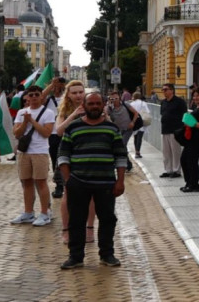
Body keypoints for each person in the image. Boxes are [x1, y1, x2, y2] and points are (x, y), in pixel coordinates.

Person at [57, 92, 127, 269]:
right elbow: (63, 156)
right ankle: (76, 257)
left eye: (98, 103)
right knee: (76, 220)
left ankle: (107, 254)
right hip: (78, 182)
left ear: (103, 105)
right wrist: (68, 180)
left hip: (105, 183)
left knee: (108, 219)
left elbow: (120, 157)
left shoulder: (112, 129)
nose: (94, 106)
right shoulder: (73, 127)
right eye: (91, 104)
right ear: (85, 106)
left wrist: (120, 181)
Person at [55, 80, 95, 245]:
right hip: (69, 155)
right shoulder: (64, 111)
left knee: (92, 194)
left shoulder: (93, 107)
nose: (78, 95)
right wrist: (73, 115)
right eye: (74, 93)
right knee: (68, 193)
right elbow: (59, 131)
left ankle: (90, 229)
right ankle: (66, 229)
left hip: (90, 154)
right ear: (68, 95)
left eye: (81, 92)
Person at [9, 85, 56, 227]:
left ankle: (44, 213)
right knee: (26, 182)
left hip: (39, 151)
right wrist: (25, 121)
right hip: (24, 152)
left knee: (41, 182)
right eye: (31, 95)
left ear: (42, 96)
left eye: (37, 94)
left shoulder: (48, 113)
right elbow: (16, 133)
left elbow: (46, 133)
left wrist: (32, 121)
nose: (34, 97)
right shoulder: (21, 112)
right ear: (27, 97)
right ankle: (28, 213)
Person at [179, 87, 199, 192]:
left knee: (192, 162)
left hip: (196, 140)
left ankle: (194, 185)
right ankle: (189, 183)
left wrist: (191, 123)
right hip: (190, 139)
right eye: (194, 95)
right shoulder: (197, 107)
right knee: (184, 160)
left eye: (198, 95)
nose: (196, 97)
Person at [42, 77, 67, 198]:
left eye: (60, 85)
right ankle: (59, 184)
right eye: (55, 86)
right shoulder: (48, 99)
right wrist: (52, 84)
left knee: (63, 158)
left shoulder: (66, 99)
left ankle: (63, 184)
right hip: (52, 133)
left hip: (65, 132)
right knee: (55, 159)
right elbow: (41, 96)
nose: (58, 88)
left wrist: (64, 87)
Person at [105, 90, 138, 172]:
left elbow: (136, 113)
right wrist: (108, 104)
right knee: (122, 147)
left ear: (119, 97)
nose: (115, 99)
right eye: (112, 98)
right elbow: (105, 114)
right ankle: (127, 164)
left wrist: (132, 122)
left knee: (122, 145)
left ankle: (126, 165)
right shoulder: (110, 108)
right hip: (118, 131)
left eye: (116, 97)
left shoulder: (125, 104)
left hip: (127, 129)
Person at [158, 84, 186, 178]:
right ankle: (168, 170)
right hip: (165, 129)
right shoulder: (163, 102)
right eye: (163, 89)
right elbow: (162, 113)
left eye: (165, 89)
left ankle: (176, 170)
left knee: (175, 151)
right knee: (166, 152)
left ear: (172, 90)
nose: (164, 91)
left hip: (176, 130)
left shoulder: (179, 102)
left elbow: (184, 114)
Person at [128, 92, 151, 159]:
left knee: (135, 137)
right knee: (140, 137)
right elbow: (148, 111)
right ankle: (138, 151)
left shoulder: (131, 104)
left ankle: (136, 151)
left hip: (135, 121)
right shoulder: (143, 103)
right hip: (142, 121)